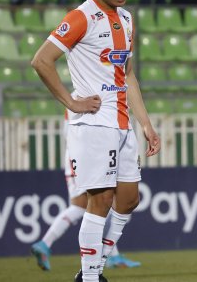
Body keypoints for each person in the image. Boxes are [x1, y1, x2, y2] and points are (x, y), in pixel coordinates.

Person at [31, 0, 161, 282]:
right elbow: (41, 61)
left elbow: (127, 75)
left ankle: (92, 270)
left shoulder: (127, 19)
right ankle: (90, 277)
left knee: (129, 200)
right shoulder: (80, 17)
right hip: (92, 123)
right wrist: (71, 102)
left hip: (122, 124)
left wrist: (145, 122)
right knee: (100, 199)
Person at [30, 114, 141, 272]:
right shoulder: (81, 95)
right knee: (83, 206)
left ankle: (111, 255)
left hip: (87, 150)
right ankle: (45, 243)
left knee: (102, 204)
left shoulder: (80, 97)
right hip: (83, 152)